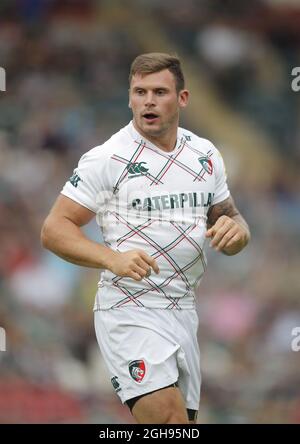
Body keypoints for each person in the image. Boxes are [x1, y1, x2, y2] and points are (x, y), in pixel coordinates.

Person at [41, 53, 250, 424]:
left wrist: (239, 233)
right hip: (129, 307)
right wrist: (111, 259)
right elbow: (54, 229)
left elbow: (228, 219)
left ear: (182, 99)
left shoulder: (205, 155)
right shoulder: (107, 158)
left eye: (159, 91)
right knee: (168, 421)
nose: (148, 101)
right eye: (139, 92)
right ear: (129, 98)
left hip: (184, 309)